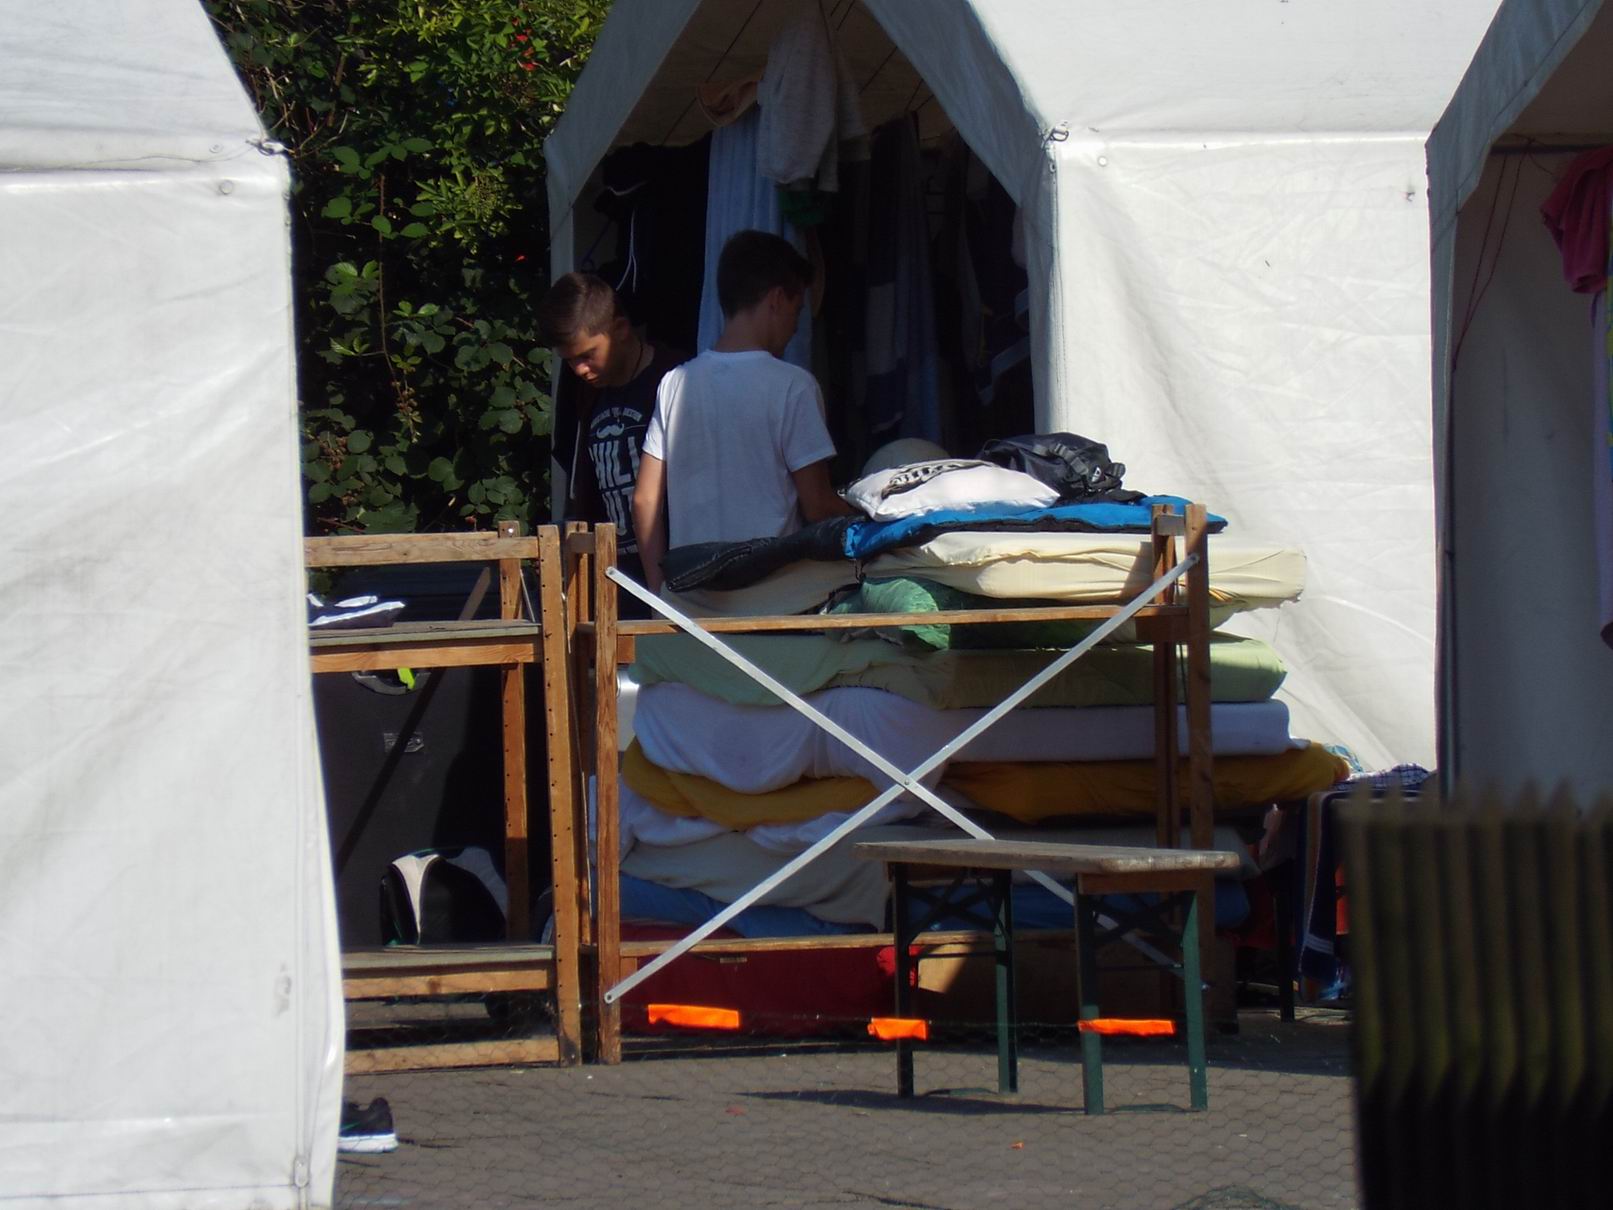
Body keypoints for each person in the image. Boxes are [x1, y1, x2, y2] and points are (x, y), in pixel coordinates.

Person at [633, 230, 852, 594]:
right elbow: (817, 506)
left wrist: (660, 596)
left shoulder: (675, 383)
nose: (795, 327)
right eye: (797, 311)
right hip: (771, 601)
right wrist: (871, 519)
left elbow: (644, 500)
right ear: (777, 299)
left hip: (693, 599)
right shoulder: (793, 386)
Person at [536, 272, 687, 594]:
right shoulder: (588, 393)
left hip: (679, 572)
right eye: (570, 360)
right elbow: (583, 484)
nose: (579, 369)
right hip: (614, 578)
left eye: (587, 355)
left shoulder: (675, 379)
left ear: (619, 329)